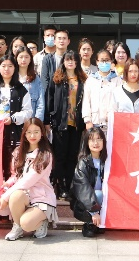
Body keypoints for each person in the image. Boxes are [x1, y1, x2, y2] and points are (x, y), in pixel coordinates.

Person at [0, 118, 58, 241]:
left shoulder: (45, 155)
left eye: (36, 132)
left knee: (27, 223)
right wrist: (7, 184)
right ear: (24, 134)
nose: (32, 136)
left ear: (42, 133)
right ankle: (17, 227)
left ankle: (42, 222)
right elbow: (16, 175)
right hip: (24, 195)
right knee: (16, 196)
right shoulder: (18, 152)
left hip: (41, 197)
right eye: (29, 132)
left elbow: (28, 181)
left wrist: (5, 196)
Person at [45, 50, 86, 200]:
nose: (70, 62)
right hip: (60, 124)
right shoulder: (57, 79)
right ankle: (59, 185)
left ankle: (69, 186)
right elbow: (49, 99)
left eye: (73, 59)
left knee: (72, 156)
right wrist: (47, 120)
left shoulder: (82, 80)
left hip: (76, 124)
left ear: (77, 62)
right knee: (60, 156)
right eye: (67, 59)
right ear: (63, 61)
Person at [0, 55, 33, 180]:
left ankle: (9, 184)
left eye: (10, 66)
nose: (7, 69)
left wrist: (13, 119)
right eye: (3, 66)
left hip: (13, 132)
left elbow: (28, 111)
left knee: (12, 161)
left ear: (15, 68)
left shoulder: (21, 90)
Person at [70, 127, 108, 238]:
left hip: (103, 200)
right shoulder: (83, 162)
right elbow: (83, 188)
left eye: (99, 139)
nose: (96, 143)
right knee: (99, 194)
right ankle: (90, 224)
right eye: (92, 140)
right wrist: (94, 211)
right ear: (87, 143)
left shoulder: (107, 160)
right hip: (85, 204)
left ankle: (99, 223)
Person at [82, 49, 119, 131]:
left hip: (112, 124)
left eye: (107, 60)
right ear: (97, 62)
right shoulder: (91, 80)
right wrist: (87, 120)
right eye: (102, 60)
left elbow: (119, 101)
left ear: (111, 61)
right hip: (94, 123)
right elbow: (86, 101)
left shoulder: (118, 80)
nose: (104, 63)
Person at [41, 29, 70, 116]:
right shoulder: (48, 59)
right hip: (52, 100)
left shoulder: (73, 58)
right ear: (54, 41)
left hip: (68, 99)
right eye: (59, 38)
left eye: (64, 38)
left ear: (68, 41)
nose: (61, 41)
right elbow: (44, 81)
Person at [17, 47, 44, 120]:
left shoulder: (36, 79)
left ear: (30, 59)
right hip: (14, 120)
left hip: (31, 120)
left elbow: (40, 103)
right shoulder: (11, 77)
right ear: (16, 58)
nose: (23, 60)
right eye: (21, 57)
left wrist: (37, 121)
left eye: (26, 57)